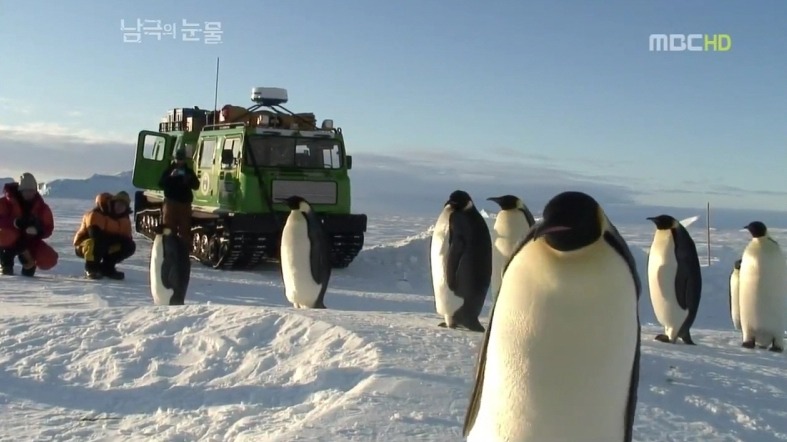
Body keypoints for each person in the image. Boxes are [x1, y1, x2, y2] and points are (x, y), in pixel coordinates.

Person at [0, 172, 58, 276]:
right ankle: (5, 264)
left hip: (29, 240)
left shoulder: (42, 207)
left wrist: (39, 229)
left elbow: (48, 228)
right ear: (20, 190)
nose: (29, 193)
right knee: (4, 236)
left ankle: (28, 266)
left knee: (49, 258)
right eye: (26, 191)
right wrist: (14, 222)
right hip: (9, 239)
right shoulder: (5, 202)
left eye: (32, 191)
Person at [73, 191, 137, 279]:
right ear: (113, 203)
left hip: (105, 245)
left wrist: (117, 240)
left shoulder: (124, 221)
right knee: (94, 243)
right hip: (84, 245)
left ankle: (107, 268)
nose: (120, 207)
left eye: (123, 206)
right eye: (118, 204)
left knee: (129, 246)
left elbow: (127, 240)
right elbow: (95, 234)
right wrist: (117, 238)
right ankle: (91, 268)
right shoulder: (96, 214)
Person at [159, 147, 199, 245]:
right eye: (178, 159)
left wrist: (189, 180)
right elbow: (161, 184)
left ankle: (183, 251)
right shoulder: (169, 171)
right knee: (168, 229)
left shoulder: (189, 172)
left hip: (184, 204)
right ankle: (169, 249)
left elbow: (196, 185)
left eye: (181, 159)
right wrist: (171, 177)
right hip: (171, 203)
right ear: (175, 159)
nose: (179, 161)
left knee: (184, 230)